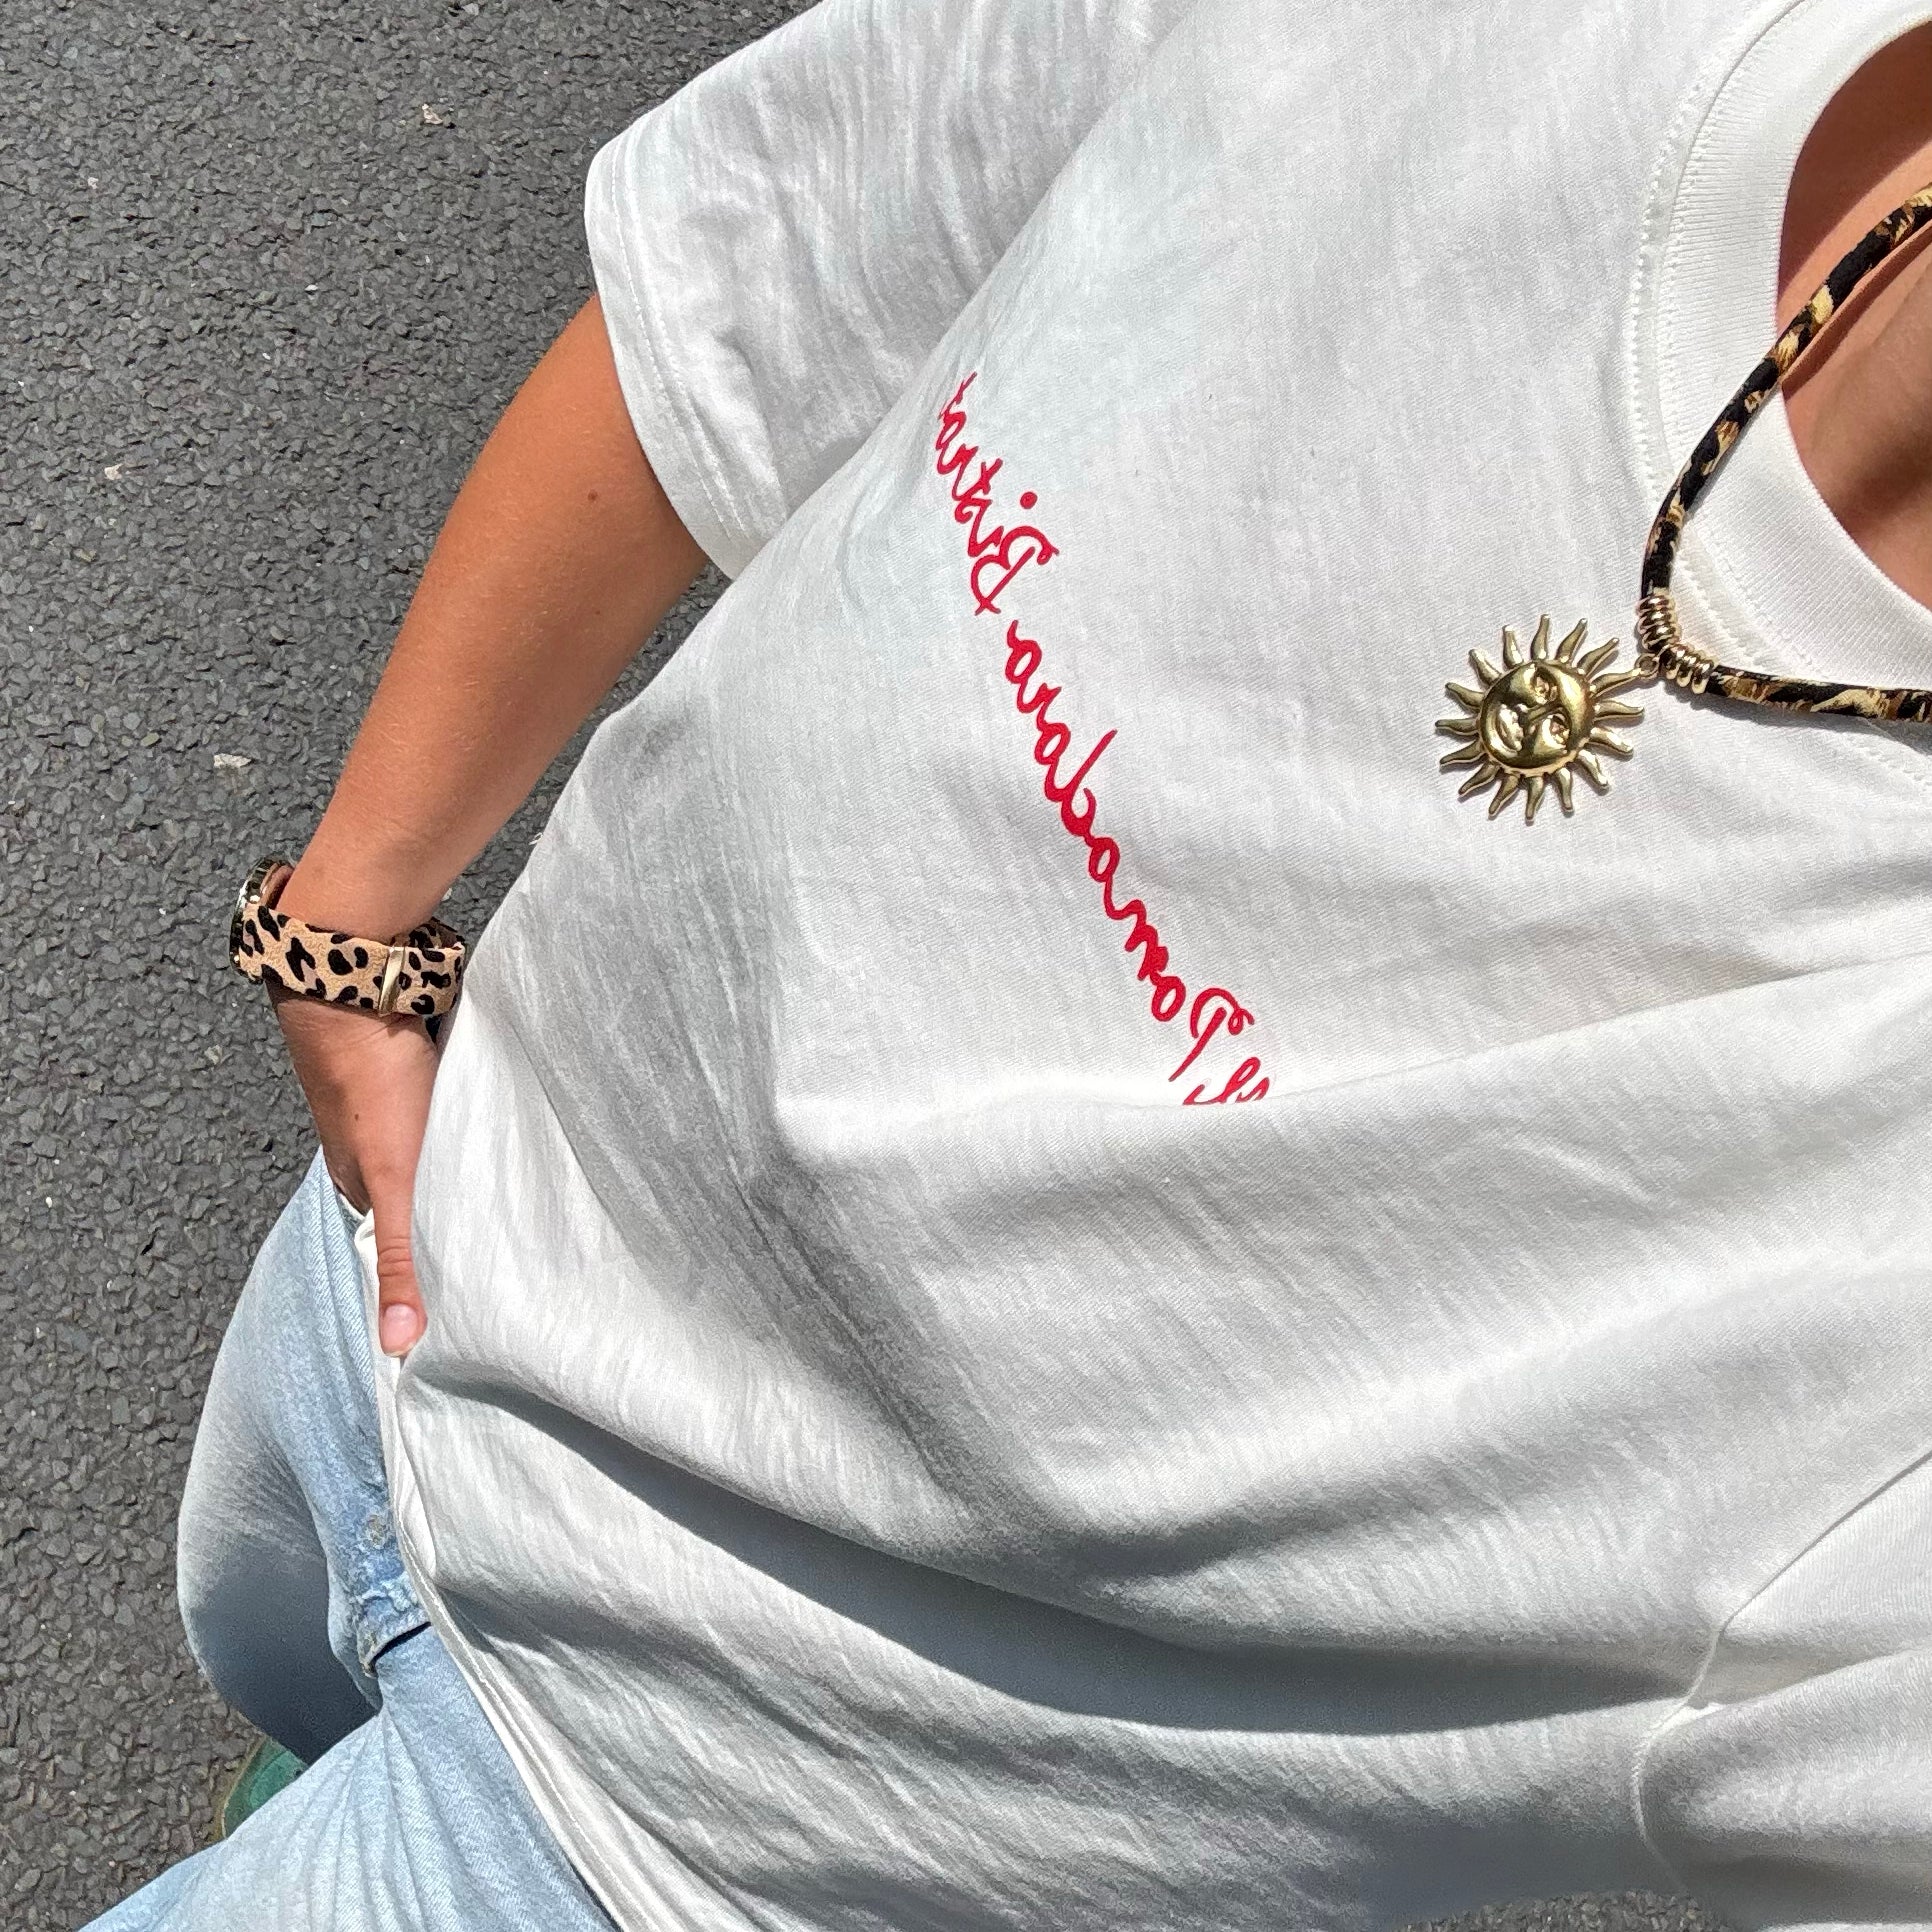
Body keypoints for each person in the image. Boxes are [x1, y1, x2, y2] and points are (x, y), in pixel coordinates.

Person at [83, 0, 1932, 1926]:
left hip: (644, 1853)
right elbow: (779, 250)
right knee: (282, 1677)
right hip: (413, 1254)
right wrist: (347, 921)